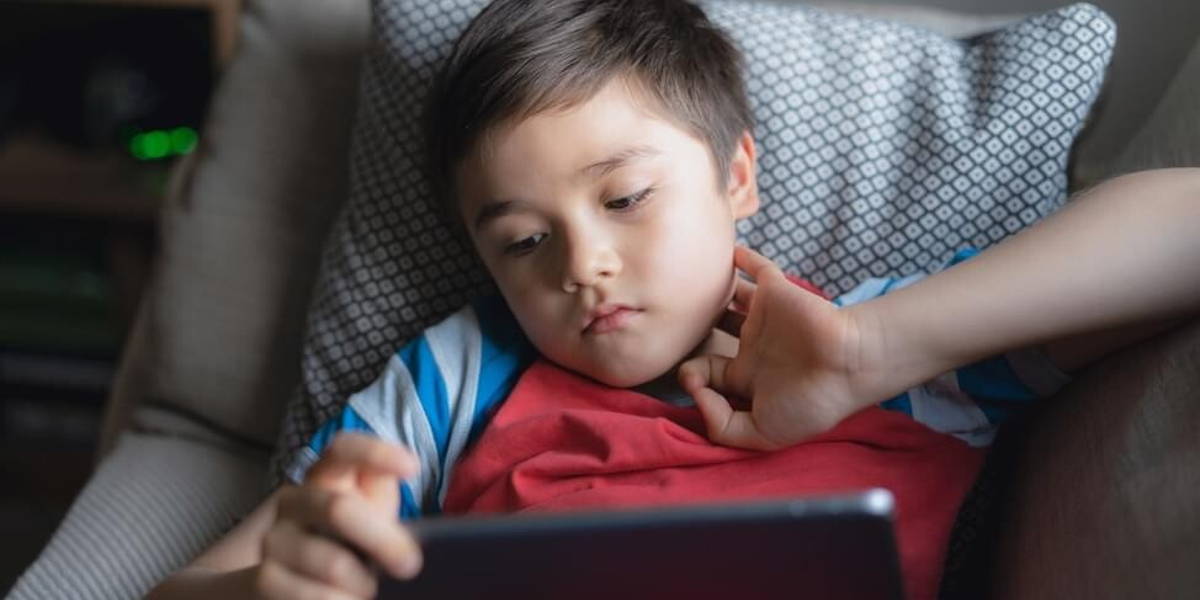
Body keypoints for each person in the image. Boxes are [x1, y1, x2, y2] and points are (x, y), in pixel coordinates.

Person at [147, 0, 1200, 598]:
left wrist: (868, 353)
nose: (584, 265)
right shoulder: (455, 377)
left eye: (627, 197)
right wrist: (276, 583)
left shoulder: (886, 345)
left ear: (737, 178)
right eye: (522, 241)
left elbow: (1183, 229)